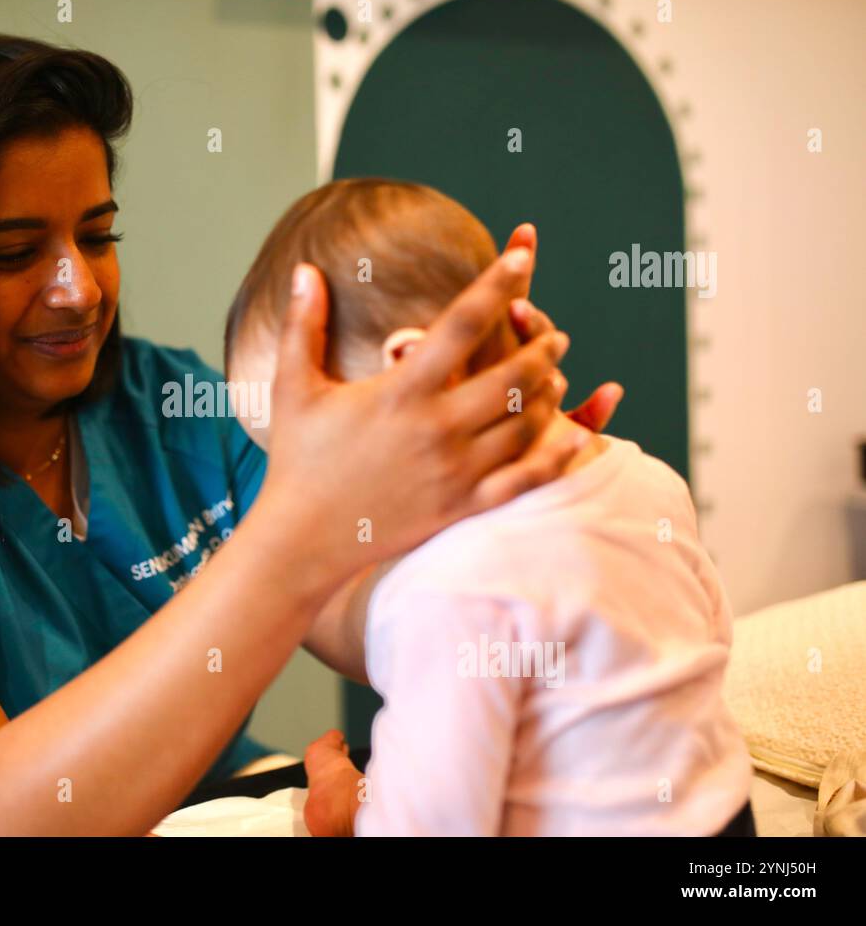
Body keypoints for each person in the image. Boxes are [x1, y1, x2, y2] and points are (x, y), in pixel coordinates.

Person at [0, 34, 619, 836]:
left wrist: (506, 501)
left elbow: (361, 613)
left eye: (98, 234)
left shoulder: (167, 402)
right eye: (13, 253)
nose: (78, 289)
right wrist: (306, 524)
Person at [223, 178, 751, 836]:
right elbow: (706, 657)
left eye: (307, 453)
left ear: (413, 367)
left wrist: (344, 805)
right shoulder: (646, 478)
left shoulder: (445, 587)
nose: (310, 491)